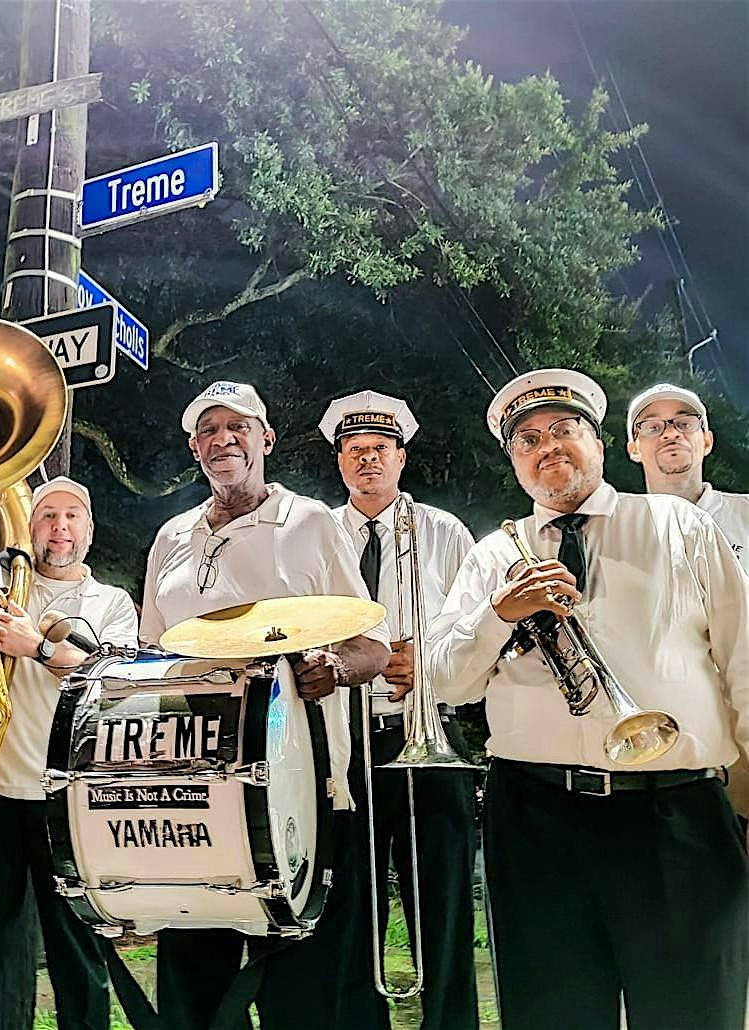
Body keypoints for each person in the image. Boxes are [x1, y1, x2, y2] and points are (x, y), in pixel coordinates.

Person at [426, 368, 749, 1030]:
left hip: (675, 815)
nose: (547, 448)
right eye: (527, 440)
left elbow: (743, 656)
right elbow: (444, 680)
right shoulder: (493, 557)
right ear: (514, 461)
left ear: (598, 442)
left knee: (692, 1014)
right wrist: (497, 614)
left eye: (564, 430)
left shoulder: (675, 524)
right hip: (536, 820)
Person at [140, 381, 390, 1030]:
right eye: (209, 430)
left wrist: (332, 669)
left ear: (266, 440)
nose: (224, 440)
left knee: (303, 990)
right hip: (194, 786)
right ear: (194, 448)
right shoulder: (171, 536)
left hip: (300, 782)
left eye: (239, 428)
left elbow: (372, 648)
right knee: (193, 980)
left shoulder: (312, 524)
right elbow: (148, 654)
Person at [0, 476, 138, 1030]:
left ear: (89, 531)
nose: (59, 528)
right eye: (47, 516)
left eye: (72, 517)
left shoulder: (112, 604)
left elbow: (116, 684)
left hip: (71, 802)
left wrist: (35, 647)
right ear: (32, 525)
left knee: (78, 956)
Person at [320, 391, 478, 1030]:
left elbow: (476, 627)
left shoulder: (444, 531)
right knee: (348, 909)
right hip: (339, 741)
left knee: (441, 907)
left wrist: (430, 661)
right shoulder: (317, 531)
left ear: (401, 458)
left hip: (424, 735)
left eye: (379, 450)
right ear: (339, 463)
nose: (367, 462)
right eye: (354, 452)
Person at [626, 382, 748, 572]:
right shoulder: (619, 534)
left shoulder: (745, 514)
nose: (671, 433)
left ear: (707, 442)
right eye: (652, 427)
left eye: (684, 424)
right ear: (634, 450)